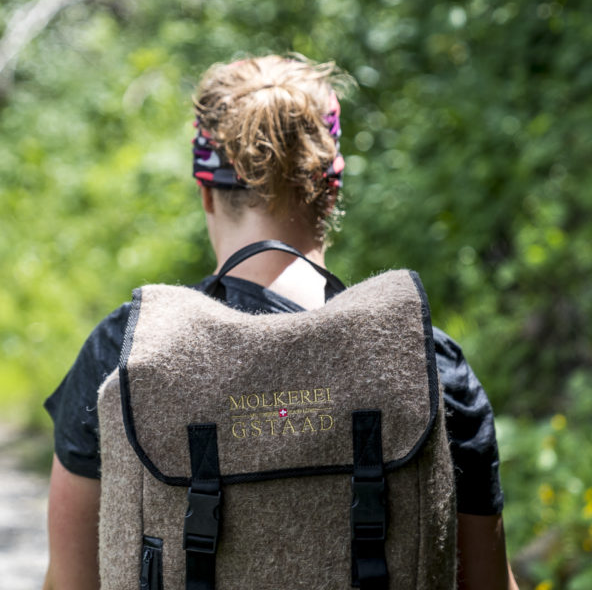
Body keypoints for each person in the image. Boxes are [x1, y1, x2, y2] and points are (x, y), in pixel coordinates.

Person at [42, 54, 519, 590]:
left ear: (206, 192)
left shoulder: (126, 352)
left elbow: (70, 581)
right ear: (331, 189)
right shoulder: (424, 360)